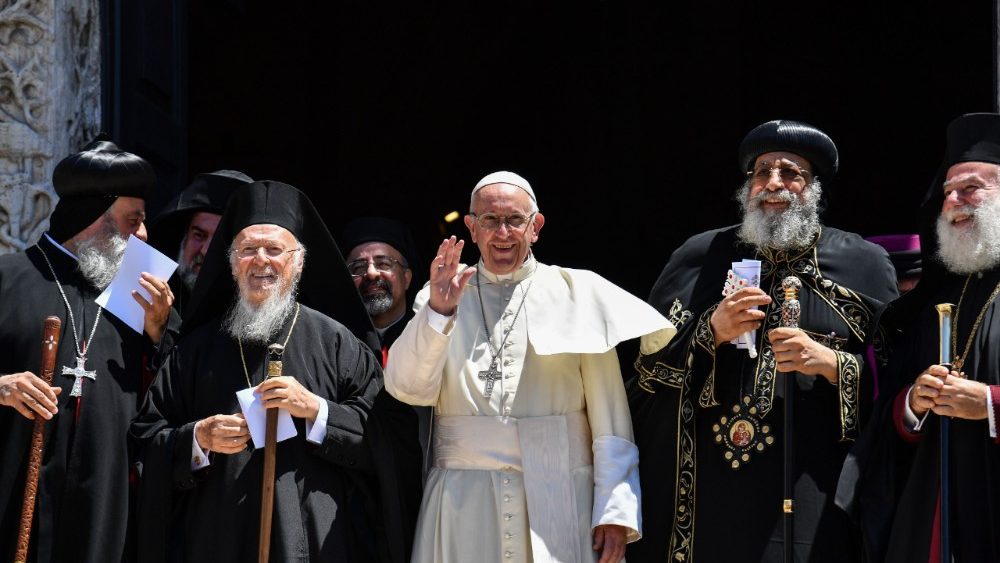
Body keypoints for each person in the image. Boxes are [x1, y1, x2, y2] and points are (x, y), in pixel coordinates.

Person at [628, 120, 898, 562]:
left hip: (817, 484)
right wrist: (710, 330)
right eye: (761, 172)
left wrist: (834, 364)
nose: (773, 183)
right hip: (711, 494)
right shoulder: (701, 257)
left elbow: (899, 384)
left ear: (813, 188)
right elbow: (645, 376)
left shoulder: (862, 264)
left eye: (791, 172)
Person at [385, 171, 675, 563]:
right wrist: (439, 311)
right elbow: (406, 388)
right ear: (472, 228)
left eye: (514, 220)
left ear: (535, 227)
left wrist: (614, 510)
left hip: (564, 493)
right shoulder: (439, 296)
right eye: (490, 220)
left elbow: (610, 417)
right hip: (462, 501)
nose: (502, 232)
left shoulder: (578, 294)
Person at [130, 180, 393, 563]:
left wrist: (317, 410)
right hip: (216, 539)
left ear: (298, 262)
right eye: (248, 250)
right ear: (231, 262)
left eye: (274, 250)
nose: (261, 261)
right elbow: (146, 438)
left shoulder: (338, 343)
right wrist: (198, 438)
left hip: (312, 540)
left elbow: (384, 436)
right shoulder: (194, 350)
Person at [0, 139, 174, 563]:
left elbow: (175, 398)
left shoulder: (141, 295)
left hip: (106, 512)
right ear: (94, 215)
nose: (144, 236)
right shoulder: (7, 278)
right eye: (134, 221)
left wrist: (159, 334)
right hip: (12, 498)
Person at [842, 113, 1000, 562]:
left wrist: (990, 405)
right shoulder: (938, 302)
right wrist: (913, 404)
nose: (952, 201)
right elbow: (890, 416)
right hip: (934, 512)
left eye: (970, 188)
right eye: (947, 192)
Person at [340, 216, 426, 563]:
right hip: (355, 512)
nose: (371, 273)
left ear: (407, 277)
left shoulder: (432, 337)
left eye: (384, 263)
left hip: (425, 496)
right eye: (357, 267)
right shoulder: (334, 345)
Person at [147, 170, 253, 317]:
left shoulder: (248, 314)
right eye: (199, 235)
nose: (205, 251)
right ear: (184, 238)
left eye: (218, 241)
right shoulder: (148, 294)